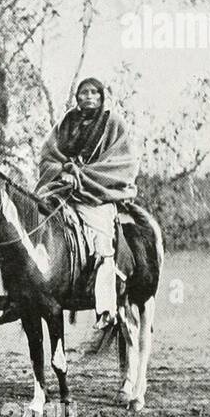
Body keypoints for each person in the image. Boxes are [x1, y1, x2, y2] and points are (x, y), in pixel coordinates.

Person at [35, 77, 139, 329]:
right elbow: (48, 155)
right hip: (62, 189)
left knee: (103, 246)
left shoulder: (113, 123)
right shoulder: (67, 122)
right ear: (77, 97)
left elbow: (122, 162)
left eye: (94, 92)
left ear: (102, 97)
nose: (88, 97)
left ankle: (105, 308)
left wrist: (81, 175)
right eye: (83, 93)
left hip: (97, 194)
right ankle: (24, 295)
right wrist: (63, 171)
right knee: (35, 225)